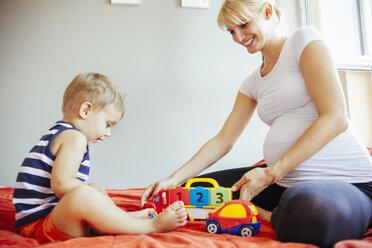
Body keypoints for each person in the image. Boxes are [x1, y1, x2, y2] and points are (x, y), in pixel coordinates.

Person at [141, 0, 372, 247]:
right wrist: (172, 180)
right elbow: (223, 140)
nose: (239, 37)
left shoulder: (303, 41)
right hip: (283, 184)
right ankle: (269, 211)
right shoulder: (253, 82)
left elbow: (336, 117)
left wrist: (271, 172)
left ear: (268, 11)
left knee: (308, 208)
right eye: (231, 31)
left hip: (348, 183)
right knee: (194, 192)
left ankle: (266, 214)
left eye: (243, 24)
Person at [13, 73, 187, 244]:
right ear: (86, 110)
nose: (108, 133)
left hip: (49, 219)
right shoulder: (74, 137)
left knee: (94, 188)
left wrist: (97, 196)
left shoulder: (61, 132)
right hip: (40, 227)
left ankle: (121, 218)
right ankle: (151, 225)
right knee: (85, 194)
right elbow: (61, 184)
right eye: (108, 124)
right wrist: (94, 196)